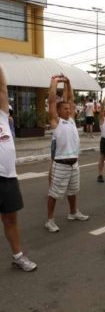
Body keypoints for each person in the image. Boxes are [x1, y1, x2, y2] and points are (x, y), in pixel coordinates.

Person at [0, 65, 37, 271]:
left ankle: (17, 256)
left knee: (11, 219)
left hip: (9, 178)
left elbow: (3, 87)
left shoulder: (3, 116)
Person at [45, 75, 89, 233]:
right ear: (58, 111)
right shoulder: (55, 121)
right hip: (61, 164)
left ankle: (73, 212)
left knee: (73, 191)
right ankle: (50, 220)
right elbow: (51, 101)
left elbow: (70, 97)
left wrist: (69, 83)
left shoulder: (71, 120)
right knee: (54, 194)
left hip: (74, 163)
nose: (69, 110)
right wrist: (55, 83)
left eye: (69, 108)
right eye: (65, 108)